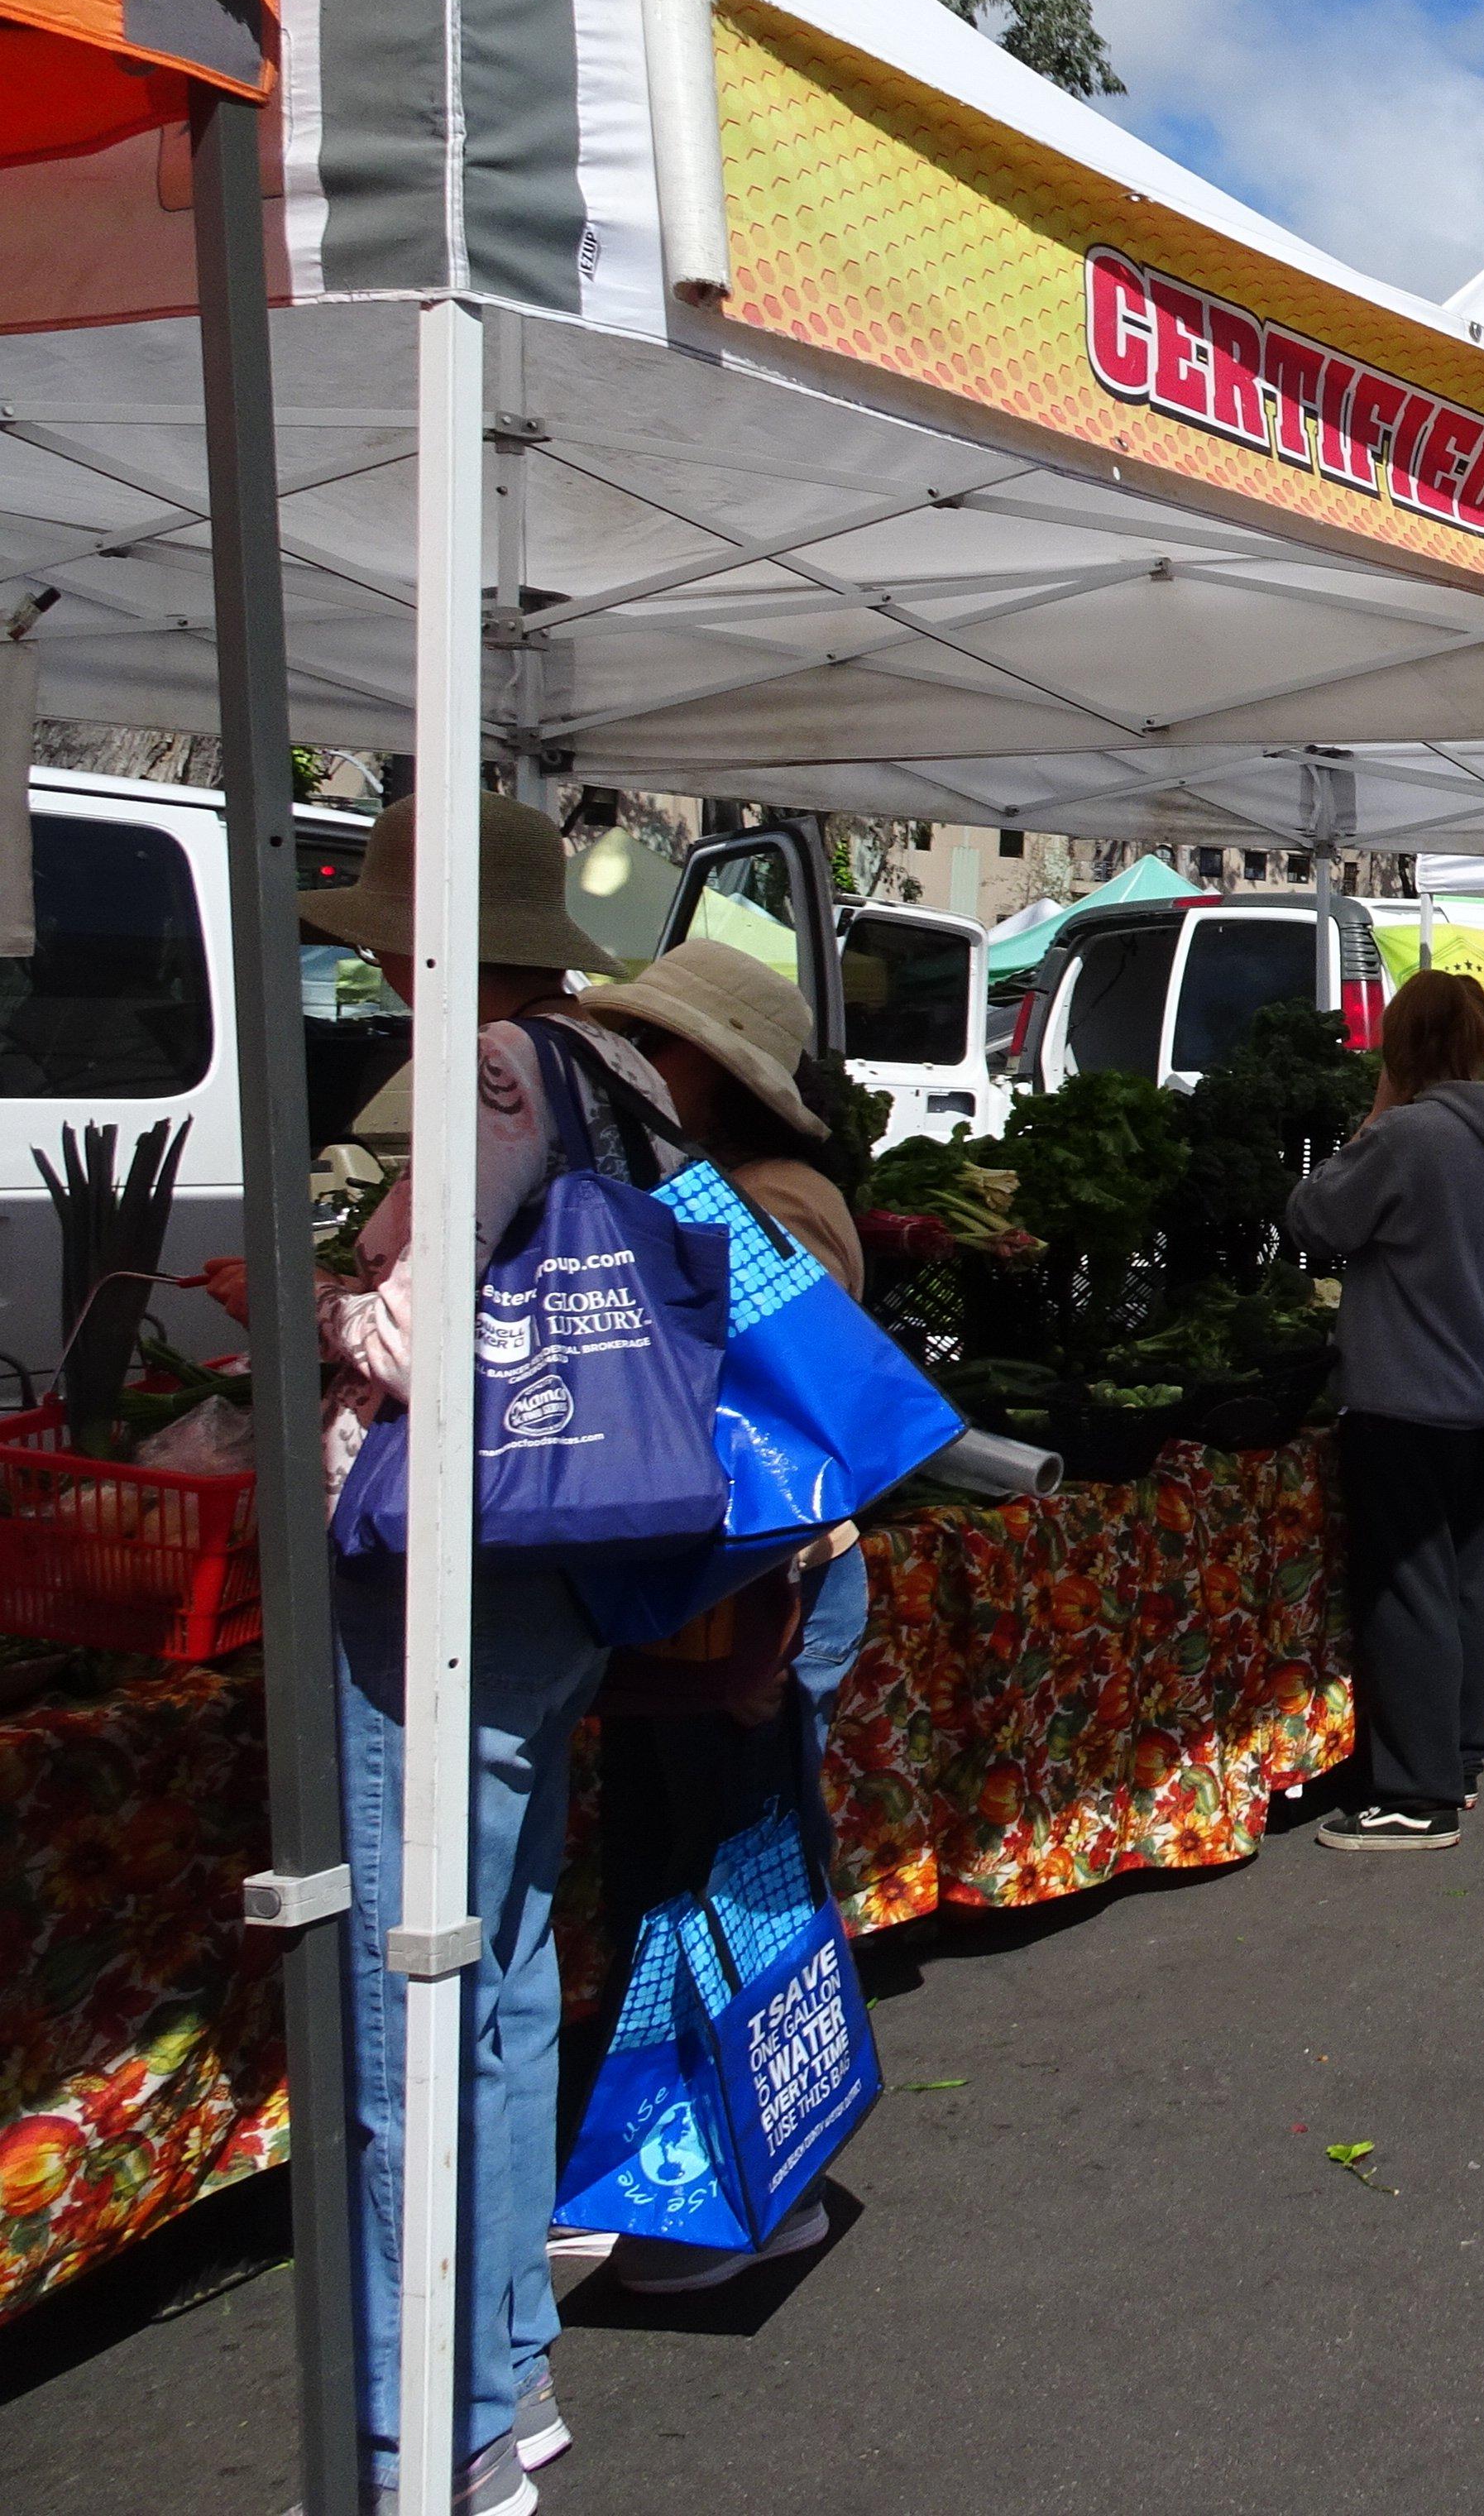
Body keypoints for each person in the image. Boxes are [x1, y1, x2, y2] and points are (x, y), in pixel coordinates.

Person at [213, 794, 656, 2510]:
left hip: (448, 1574)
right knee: (511, 1959)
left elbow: (422, 1339)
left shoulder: (487, 1068)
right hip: (559, 1563)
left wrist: (306, 1309)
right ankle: (507, 2375)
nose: (384, 958)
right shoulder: (596, 1064)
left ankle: (436, 2431)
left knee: (418, 1986)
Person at [572, 937, 878, 2298]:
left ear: (713, 1072)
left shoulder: (776, 1203)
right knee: (686, 1868)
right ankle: (684, 2168)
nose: (639, 1067)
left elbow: (766, 1416)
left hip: (763, 1592)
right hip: (711, 1601)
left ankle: (753, 2190)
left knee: (735, 1877)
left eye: (658, 1045)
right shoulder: (722, 1190)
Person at [1285, 970, 1484, 1848]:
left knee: (1408, 1590)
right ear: (1482, 1043)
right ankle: (1458, 1756)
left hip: (1403, 1399)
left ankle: (1415, 1797)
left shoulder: (1406, 1138)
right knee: (1464, 1587)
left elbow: (1312, 1219)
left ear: (1400, 1048)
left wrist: (1375, 1110)